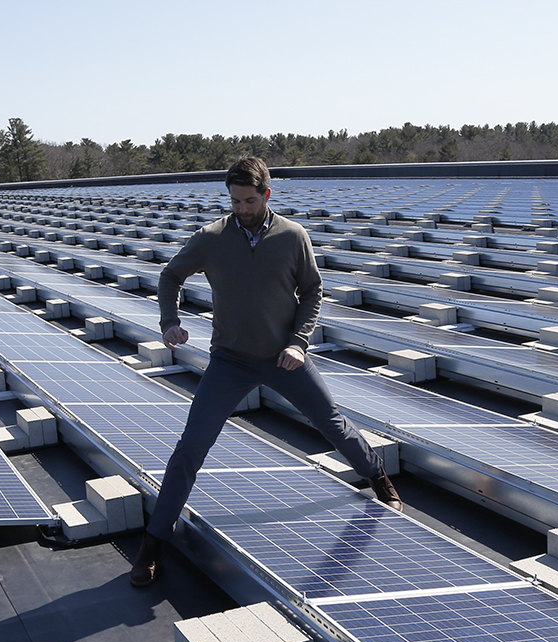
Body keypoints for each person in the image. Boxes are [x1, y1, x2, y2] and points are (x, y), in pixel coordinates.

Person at [129, 156, 402, 587]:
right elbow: (170, 277)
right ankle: (152, 545)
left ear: (267, 195)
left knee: (333, 424)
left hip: (284, 357)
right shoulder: (211, 237)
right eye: (234, 200)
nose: (241, 208)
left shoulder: (293, 237)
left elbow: (312, 291)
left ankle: (377, 476)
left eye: (250, 200)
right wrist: (169, 322)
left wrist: (299, 342)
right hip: (230, 361)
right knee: (189, 449)